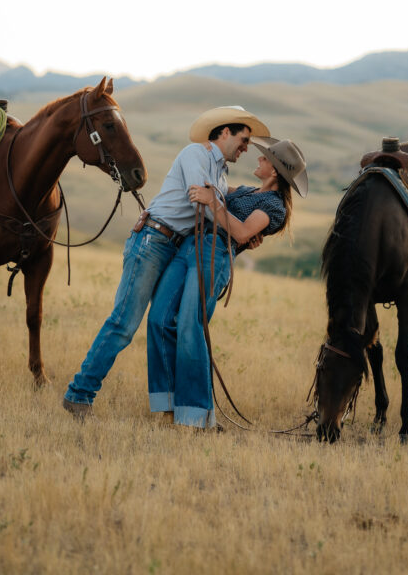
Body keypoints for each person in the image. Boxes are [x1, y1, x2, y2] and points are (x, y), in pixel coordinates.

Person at [63, 105, 270, 418]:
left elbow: (221, 201)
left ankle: (172, 408)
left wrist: (245, 233)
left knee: (162, 321)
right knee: (123, 323)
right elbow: (201, 200)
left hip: (171, 246)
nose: (245, 148)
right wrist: (231, 223)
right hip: (153, 241)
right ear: (224, 132)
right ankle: (79, 394)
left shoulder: (220, 172)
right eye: (243, 139)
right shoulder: (196, 155)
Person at [146, 137, 308, 429]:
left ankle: (197, 415)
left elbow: (244, 232)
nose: (258, 159)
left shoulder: (274, 207)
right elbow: (218, 189)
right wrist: (211, 153)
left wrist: (214, 204)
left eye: (265, 158)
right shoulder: (249, 191)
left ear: (274, 171)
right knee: (158, 317)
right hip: (190, 246)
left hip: (215, 253)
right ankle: (169, 404)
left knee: (189, 325)